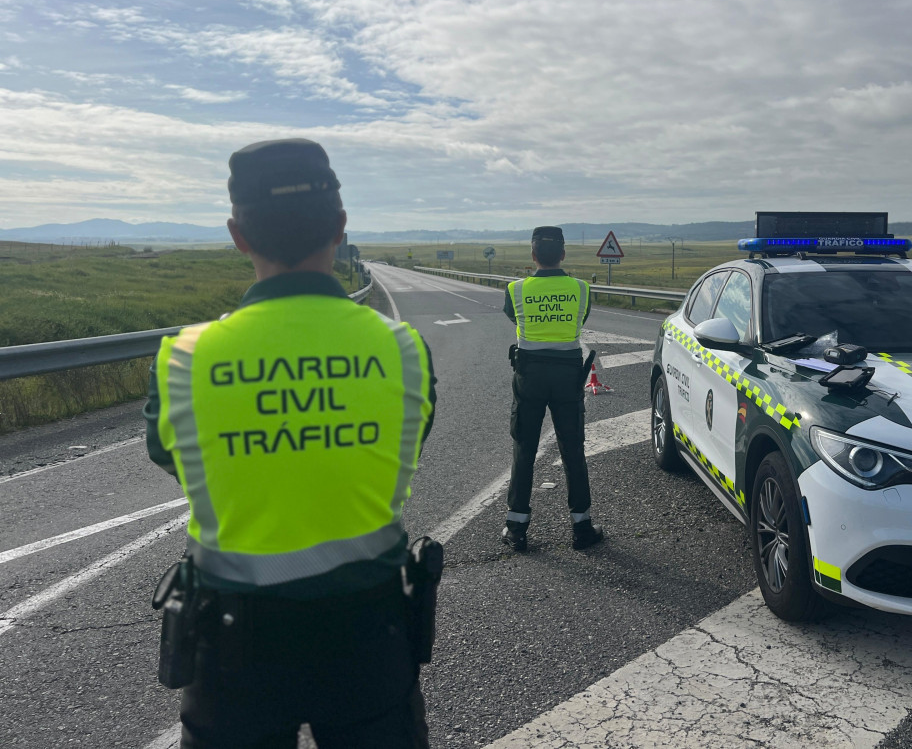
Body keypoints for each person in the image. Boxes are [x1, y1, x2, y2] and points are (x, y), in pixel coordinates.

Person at [143, 138, 436, 749]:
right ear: (339, 227)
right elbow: (409, 440)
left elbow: (174, 456)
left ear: (237, 235)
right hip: (369, 635)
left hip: (231, 648)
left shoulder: (185, 361)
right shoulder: (402, 350)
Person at [501, 226, 604, 552]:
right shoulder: (581, 289)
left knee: (524, 448)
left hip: (529, 373)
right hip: (568, 376)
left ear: (533, 256)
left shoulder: (516, 290)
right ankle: (582, 528)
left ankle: (516, 528)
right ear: (563, 254)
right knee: (573, 449)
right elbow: (581, 317)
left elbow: (512, 316)